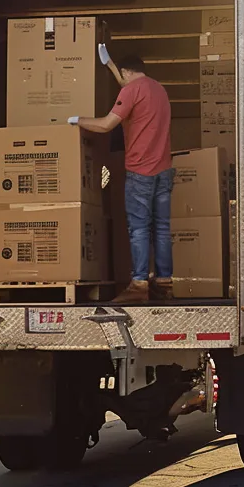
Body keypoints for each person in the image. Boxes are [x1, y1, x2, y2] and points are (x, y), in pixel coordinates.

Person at [70, 53, 172, 304]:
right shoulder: (158, 89)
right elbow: (129, 88)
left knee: (138, 229)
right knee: (161, 227)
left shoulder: (131, 91)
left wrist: (75, 120)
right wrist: (111, 66)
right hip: (164, 170)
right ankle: (164, 283)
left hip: (140, 171)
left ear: (127, 73)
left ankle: (138, 284)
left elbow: (106, 125)